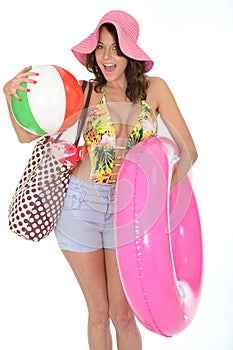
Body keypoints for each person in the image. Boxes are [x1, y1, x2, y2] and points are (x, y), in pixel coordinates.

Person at [3, 9, 198, 350]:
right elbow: (24, 136)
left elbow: (188, 153)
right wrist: (9, 95)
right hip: (81, 205)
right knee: (98, 311)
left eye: (115, 48)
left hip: (130, 210)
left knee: (123, 314)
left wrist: (155, 203)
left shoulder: (156, 90)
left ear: (130, 53)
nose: (107, 57)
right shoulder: (84, 93)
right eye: (101, 48)